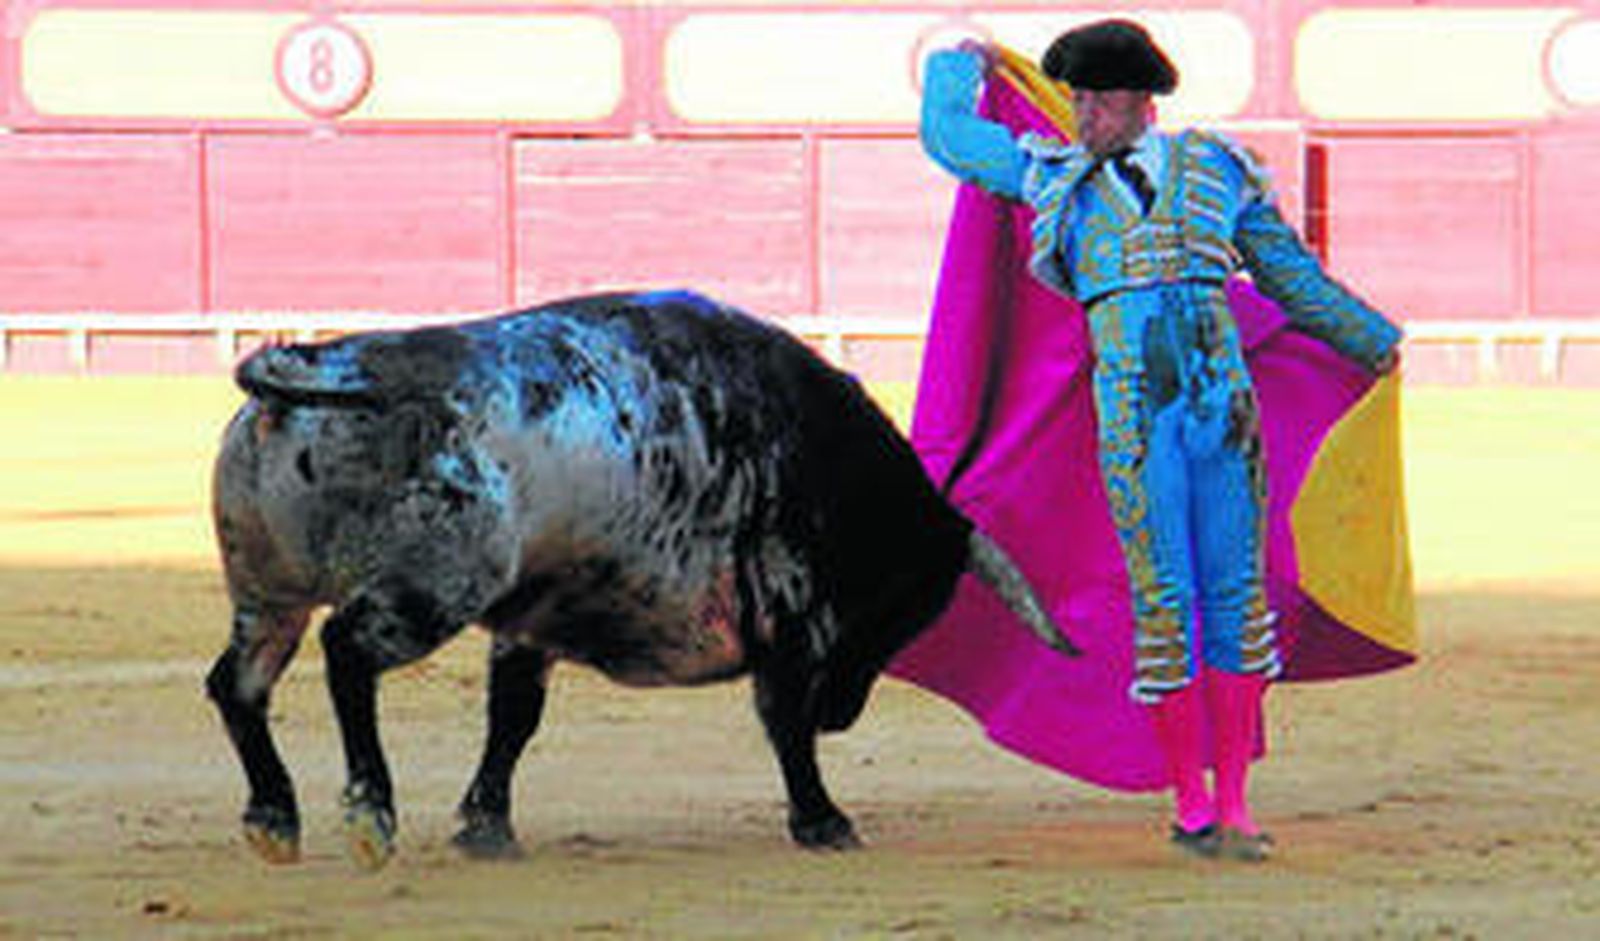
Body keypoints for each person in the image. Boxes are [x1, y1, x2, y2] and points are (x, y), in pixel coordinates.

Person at [916, 19, 1402, 861]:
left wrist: (1370, 338)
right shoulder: (1051, 173)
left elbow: (1289, 278)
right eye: (1075, 101)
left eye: (1095, 103)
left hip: (1224, 413)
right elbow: (950, 139)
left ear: (1138, 104)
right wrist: (957, 63)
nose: (1080, 118)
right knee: (1165, 599)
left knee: (1235, 600)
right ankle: (1189, 802)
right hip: (1135, 421)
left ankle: (1237, 806)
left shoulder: (1218, 170)